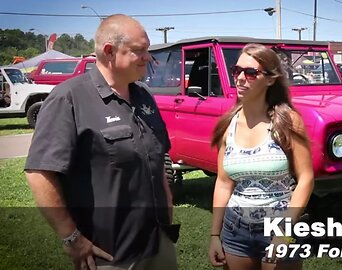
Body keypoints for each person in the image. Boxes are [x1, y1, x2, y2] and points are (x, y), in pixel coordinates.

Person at [24, 14, 178, 270]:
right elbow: (39, 172)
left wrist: (168, 205)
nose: (148, 58)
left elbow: (158, 157)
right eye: (139, 51)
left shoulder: (144, 97)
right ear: (109, 52)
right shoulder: (69, 99)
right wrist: (71, 237)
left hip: (158, 243)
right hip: (109, 255)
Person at [208, 43, 314, 270]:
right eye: (237, 71)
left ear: (270, 79)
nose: (240, 78)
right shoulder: (228, 124)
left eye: (251, 73)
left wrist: (284, 232)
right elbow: (224, 183)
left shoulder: (288, 121)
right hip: (235, 230)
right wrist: (215, 235)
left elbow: (306, 179)